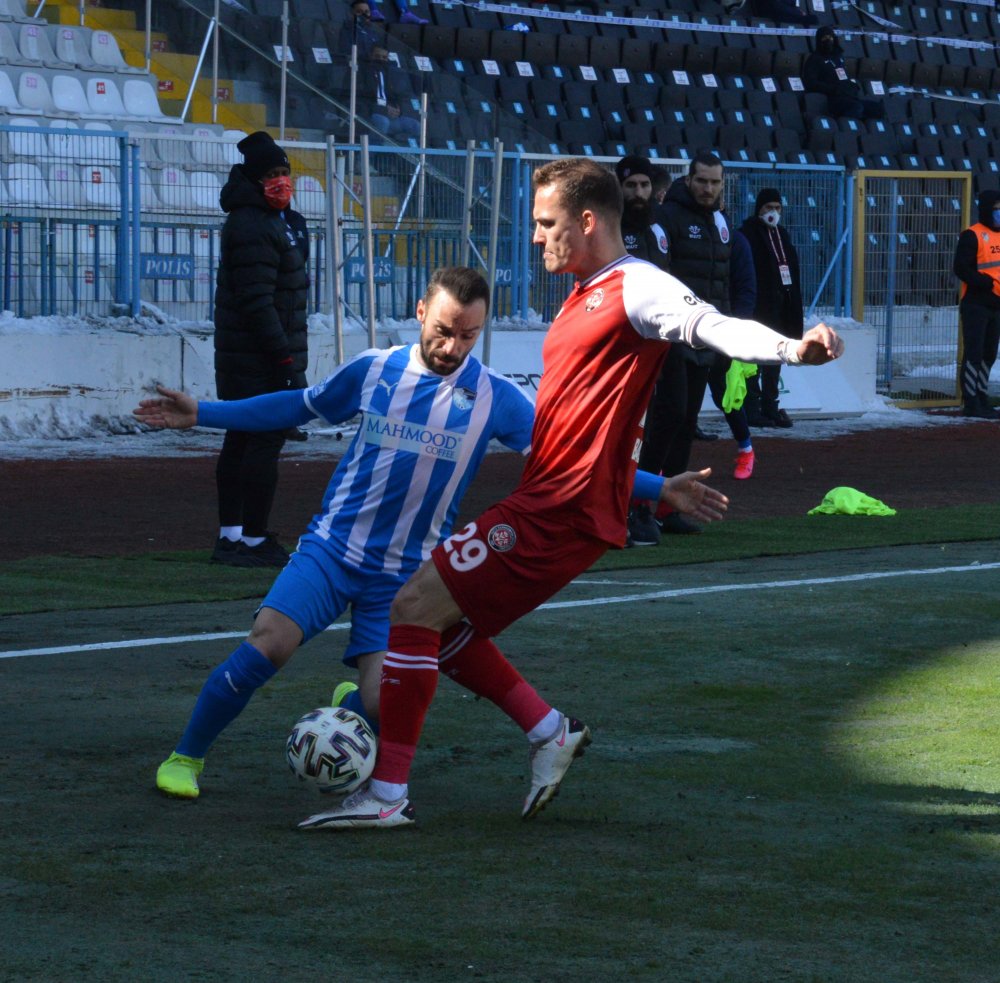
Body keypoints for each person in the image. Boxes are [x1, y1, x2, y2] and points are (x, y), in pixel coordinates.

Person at [298, 157, 844, 831]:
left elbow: (714, 326)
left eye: (545, 222)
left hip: (563, 507)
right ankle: (549, 730)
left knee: (412, 604)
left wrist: (792, 349)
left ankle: (387, 794)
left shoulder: (639, 286)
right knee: (441, 623)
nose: (535, 236)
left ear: (586, 221)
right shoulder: (585, 290)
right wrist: (651, 485)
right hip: (554, 498)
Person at [139, 266, 681, 802]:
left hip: (404, 576)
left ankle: (352, 711)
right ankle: (186, 757)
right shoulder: (374, 370)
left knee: (383, 704)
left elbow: (578, 462)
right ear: (420, 312)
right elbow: (299, 405)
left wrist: (659, 488)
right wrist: (202, 412)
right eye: (443, 330)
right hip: (332, 551)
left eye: (467, 335)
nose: (452, 346)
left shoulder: (494, 396)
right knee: (269, 644)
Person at [638, 153, 754, 536]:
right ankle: (638, 506)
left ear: (723, 184)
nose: (708, 188)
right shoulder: (666, 217)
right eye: (702, 181)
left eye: (715, 182)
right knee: (666, 419)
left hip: (705, 337)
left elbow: (722, 283)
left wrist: (725, 333)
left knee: (686, 422)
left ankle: (667, 508)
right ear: (688, 180)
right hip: (672, 335)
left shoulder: (721, 222)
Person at [211, 130, 309, 569]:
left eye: (284, 172)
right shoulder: (252, 224)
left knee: (241, 437)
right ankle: (252, 539)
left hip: (247, 353)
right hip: (259, 355)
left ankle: (231, 537)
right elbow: (258, 302)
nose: (281, 181)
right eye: (271, 174)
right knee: (263, 440)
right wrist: (284, 359)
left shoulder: (273, 221)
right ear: (254, 180)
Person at [616, 155, 672, 546]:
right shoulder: (610, 227)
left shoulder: (658, 225)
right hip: (624, 345)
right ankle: (618, 510)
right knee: (623, 430)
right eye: (631, 185)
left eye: (645, 185)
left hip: (660, 342)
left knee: (662, 424)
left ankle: (643, 506)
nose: (639, 192)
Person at [739, 188, 805, 428]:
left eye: (777, 208)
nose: (773, 213)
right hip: (757, 309)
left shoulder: (782, 234)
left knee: (775, 360)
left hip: (781, 308)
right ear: (759, 209)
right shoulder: (747, 234)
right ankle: (752, 408)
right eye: (768, 208)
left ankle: (770, 406)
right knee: (753, 362)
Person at [953, 189, 1000, 419]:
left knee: (989, 354)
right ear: (987, 210)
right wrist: (985, 283)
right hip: (976, 305)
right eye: (997, 209)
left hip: (996, 306)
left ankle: (982, 397)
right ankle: (971, 402)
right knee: (974, 353)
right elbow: (961, 268)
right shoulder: (972, 235)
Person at [804, 26, 882, 121]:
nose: (828, 40)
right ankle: (844, 124)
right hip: (833, 99)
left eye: (830, 37)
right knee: (856, 107)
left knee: (877, 108)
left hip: (848, 96)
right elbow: (810, 83)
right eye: (824, 38)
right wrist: (832, 89)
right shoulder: (814, 59)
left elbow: (843, 77)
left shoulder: (837, 57)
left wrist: (851, 86)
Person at [364, 45, 420, 143]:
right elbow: (361, 100)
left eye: (384, 57)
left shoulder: (389, 74)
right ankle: (371, 152)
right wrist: (383, 109)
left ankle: (397, 150)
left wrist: (398, 110)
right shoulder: (361, 72)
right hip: (369, 115)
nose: (381, 60)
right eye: (377, 56)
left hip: (389, 116)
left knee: (415, 126)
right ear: (371, 56)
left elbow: (396, 96)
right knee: (383, 122)